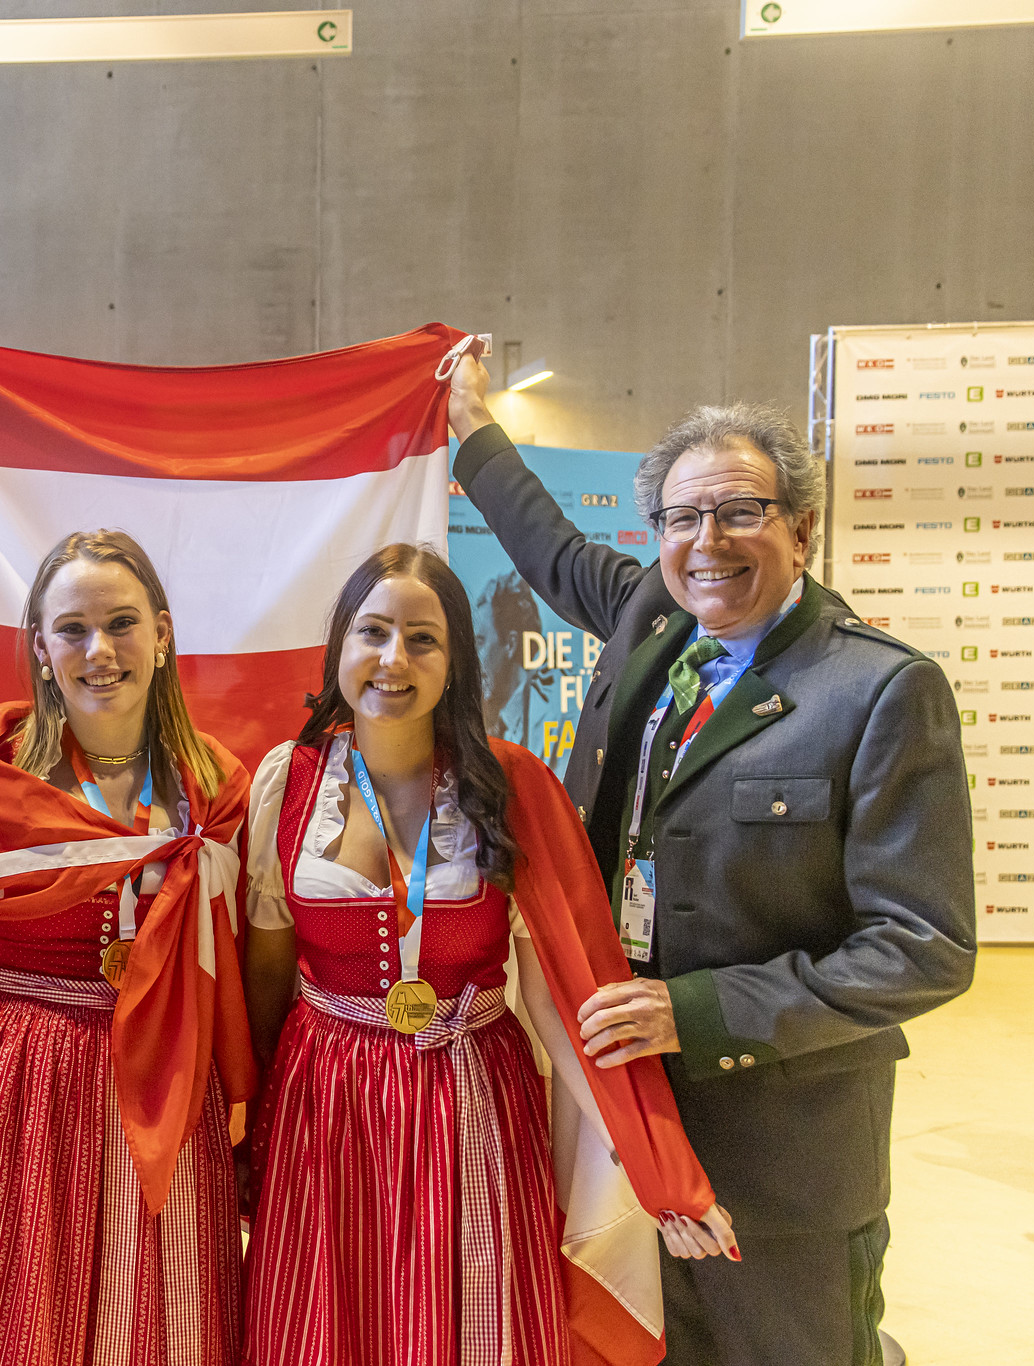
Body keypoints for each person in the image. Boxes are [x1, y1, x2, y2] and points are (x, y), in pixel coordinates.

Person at [446, 355, 976, 1365]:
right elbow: (549, 549)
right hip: (620, 1114)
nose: (706, 542)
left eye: (739, 511)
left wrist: (693, 1013)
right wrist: (471, 426)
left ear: (800, 528)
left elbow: (924, 946)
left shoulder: (874, 693)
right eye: (681, 519)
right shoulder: (655, 621)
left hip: (778, 1146)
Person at [240, 543, 730, 1366]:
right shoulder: (284, 783)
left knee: (471, 1324)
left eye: (422, 639)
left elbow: (563, 995)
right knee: (324, 1322)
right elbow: (264, 979)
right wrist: (248, 1131)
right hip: (324, 1104)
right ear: (340, 647)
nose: (394, 659)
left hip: (470, 1094)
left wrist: (652, 1168)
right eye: (373, 632)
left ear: (455, 661)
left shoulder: (506, 786)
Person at [0, 530, 257, 1366]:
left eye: (121, 623)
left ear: (162, 633)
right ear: (41, 648)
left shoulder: (217, 786)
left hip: (167, 1077)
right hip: (21, 1078)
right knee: (9, 1318)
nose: (100, 650)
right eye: (73, 629)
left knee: (162, 1319)